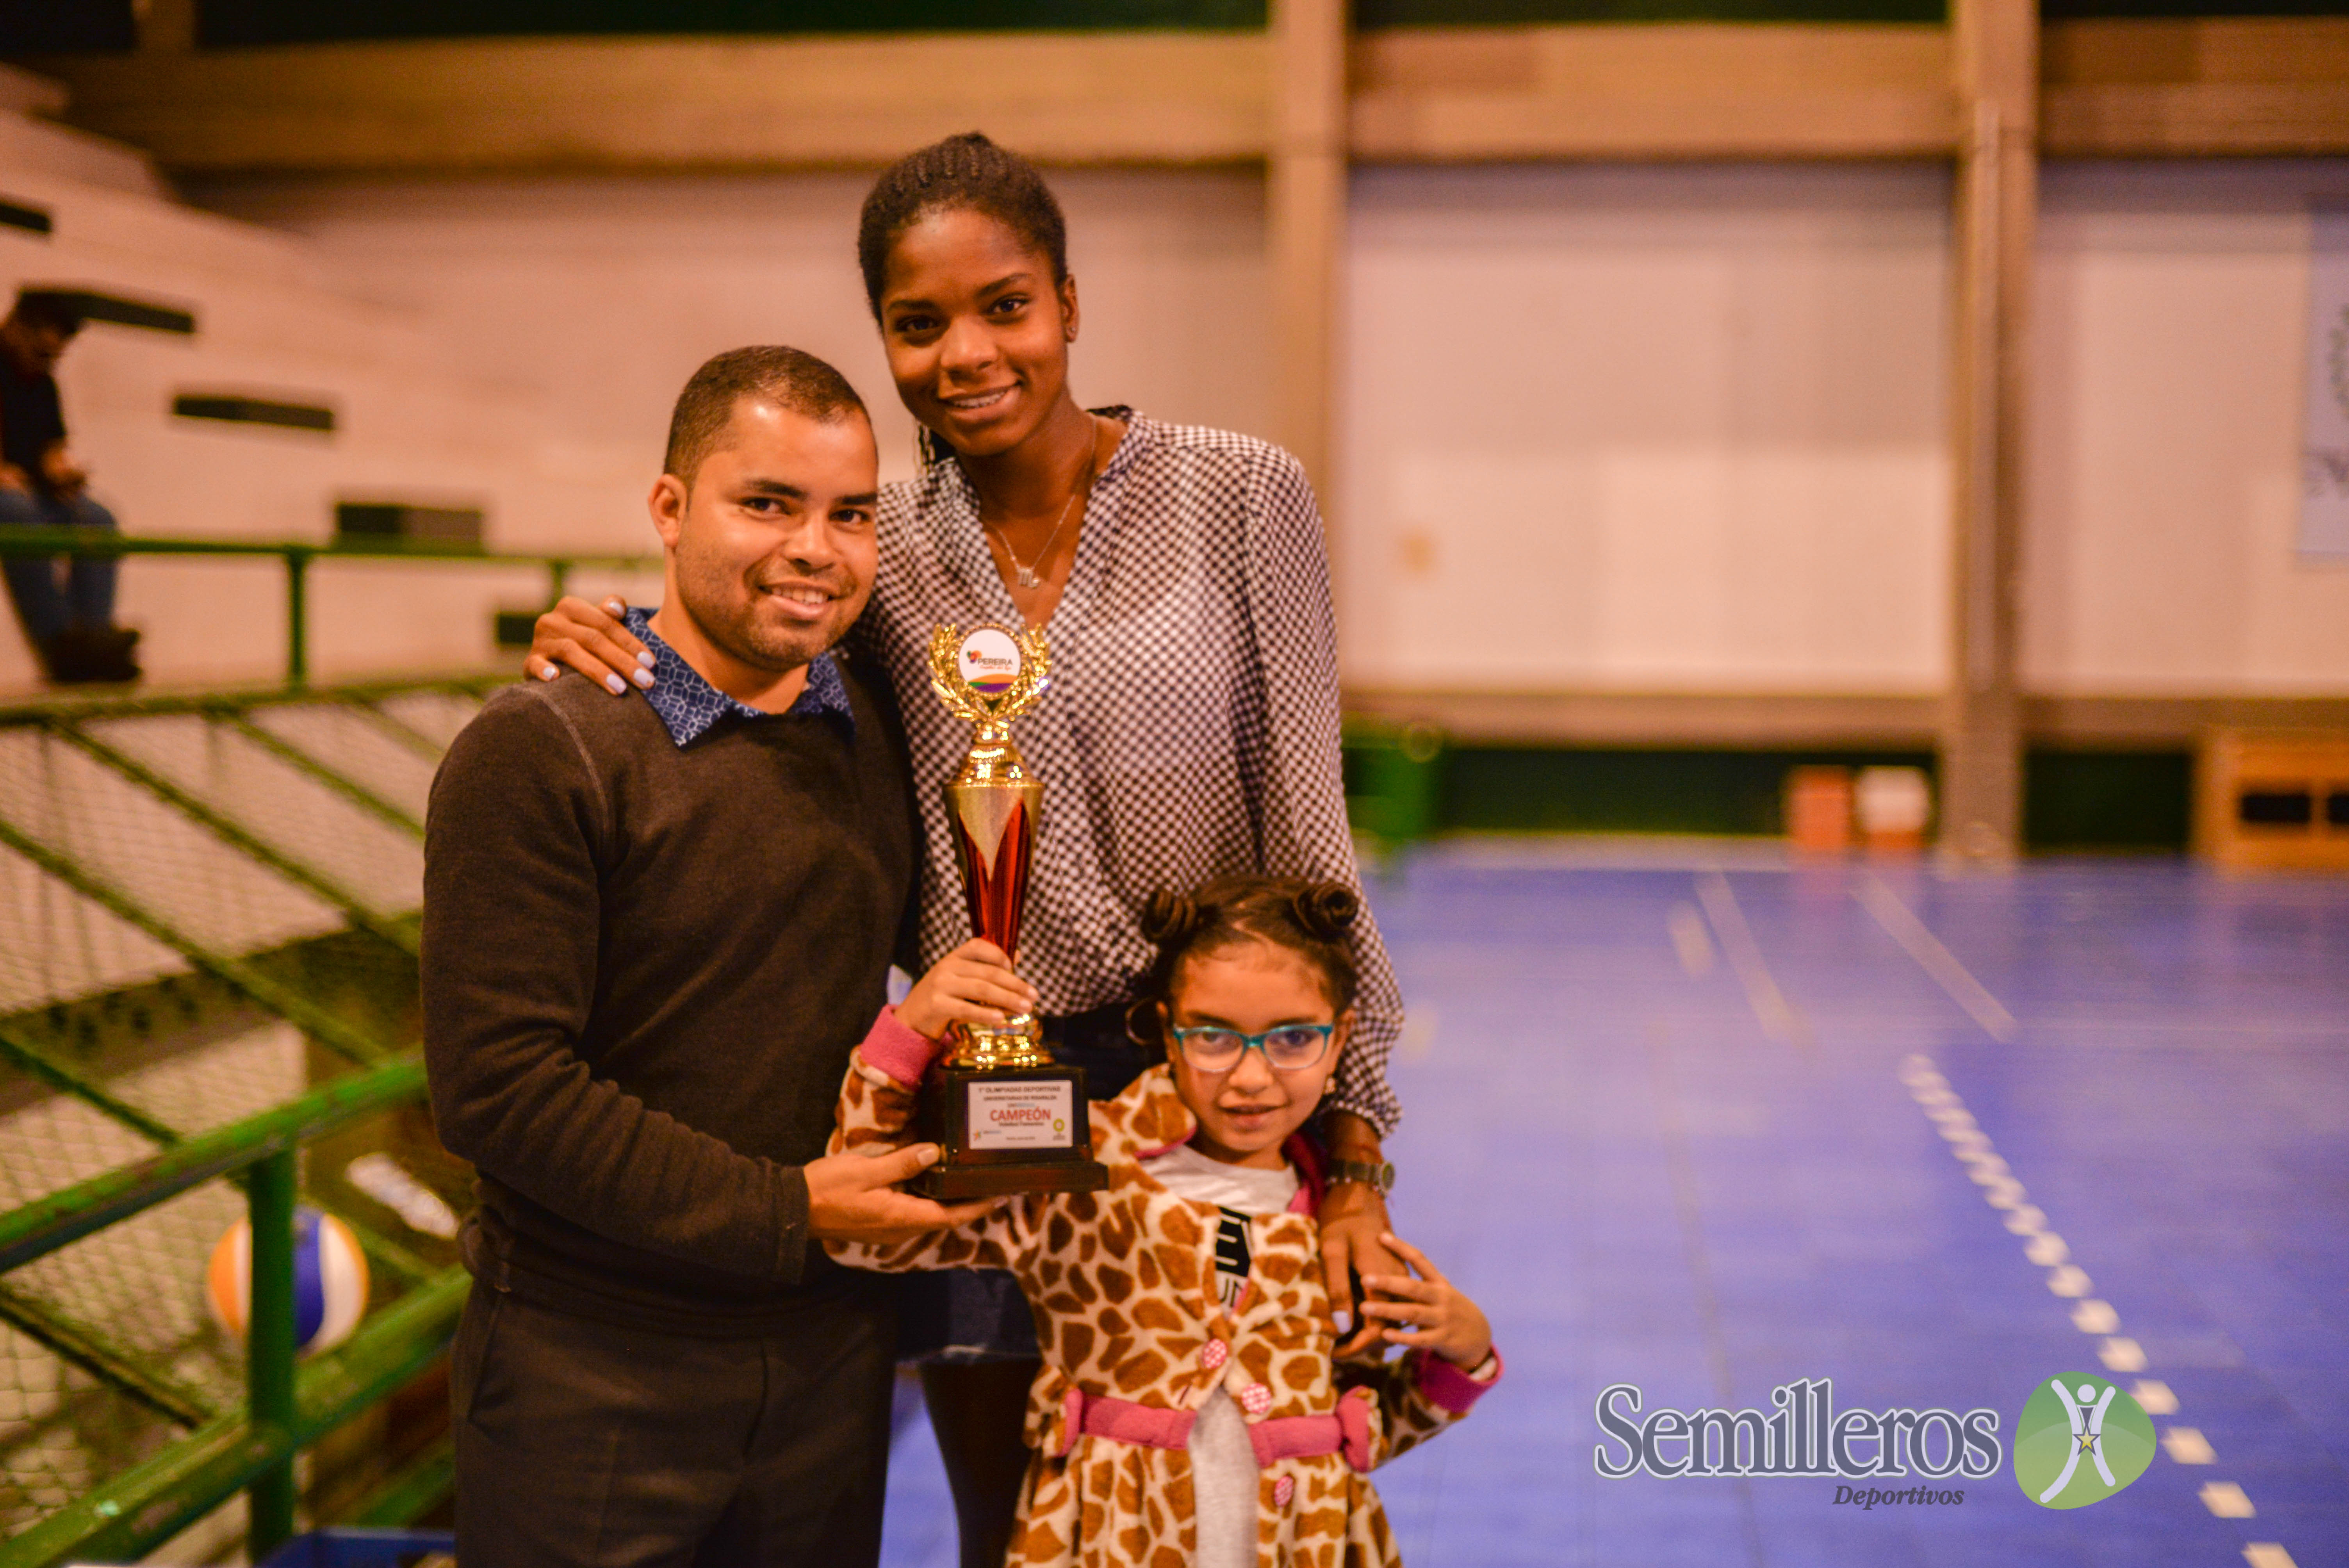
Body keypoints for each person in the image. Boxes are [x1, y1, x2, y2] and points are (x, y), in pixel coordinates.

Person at [528, 134, 1413, 1568]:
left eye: (1004, 306)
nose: (967, 354)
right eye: (918, 322)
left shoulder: (1241, 495)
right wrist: (610, 631)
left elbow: (1313, 842)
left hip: (1216, 1101)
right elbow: (750, 638)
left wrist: (1355, 1157)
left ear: (1068, 301)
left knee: (1229, 1512)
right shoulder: (885, 548)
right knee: (1016, 1529)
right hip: (988, 1111)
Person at [423, 346, 1021, 1566]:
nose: (815, 548)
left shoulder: (878, 730)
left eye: (849, 514)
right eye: (767, 504)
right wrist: (785, 1208)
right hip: (593, 1370)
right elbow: (499, 1089)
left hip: (829, 1359)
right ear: (668, 507)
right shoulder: (542, 750)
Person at [828, 875, 1499, 1567]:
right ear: (1167, 1033)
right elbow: (865, 1235)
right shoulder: (1087, 1171)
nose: (1251, 1077)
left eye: (1295, 1038)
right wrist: (900, 1047)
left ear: (1342, 1039)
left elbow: (1355, 1433)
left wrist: (1463, 1355)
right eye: (1213, 1037)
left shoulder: (1336, 1225)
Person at [0, 289, 138, 682]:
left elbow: (52, 449)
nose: (47, 362)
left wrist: (63, 474)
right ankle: (61, 643)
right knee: (16, 512)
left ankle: (93, 638)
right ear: (16, 329)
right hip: (12, 498)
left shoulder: (43, 383)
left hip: (31, 492)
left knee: (98, 518)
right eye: (42, 352)